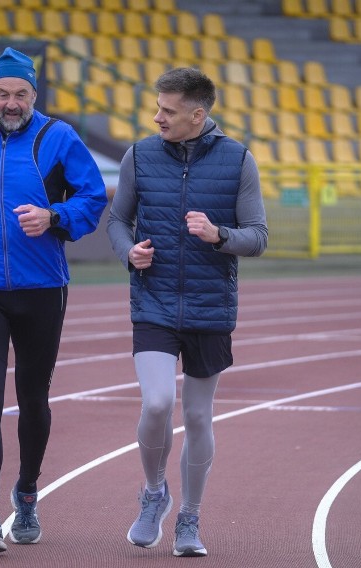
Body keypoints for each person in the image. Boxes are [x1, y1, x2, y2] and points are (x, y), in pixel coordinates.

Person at [0, 47, 107, 554]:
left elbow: (92, 197)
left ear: (35, 95)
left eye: (21, 94)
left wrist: (54, 217)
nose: (12, 103)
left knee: (32, 397)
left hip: (42, 290)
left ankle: (26, 493)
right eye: (3, 93)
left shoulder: (58, 138)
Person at [107, 67, 268, 557]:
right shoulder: (140, 155)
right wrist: (129, 252)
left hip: (209, 307)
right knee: (157, 403)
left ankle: (190, 519)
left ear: (198, 115)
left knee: (198, 416)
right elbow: (117, 220)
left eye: (168, 111)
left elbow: (258, 237)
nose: (157, 117)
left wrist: (219, 235)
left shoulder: (239, 159)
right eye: (157, 107)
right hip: (152, 302)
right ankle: (154, 493)